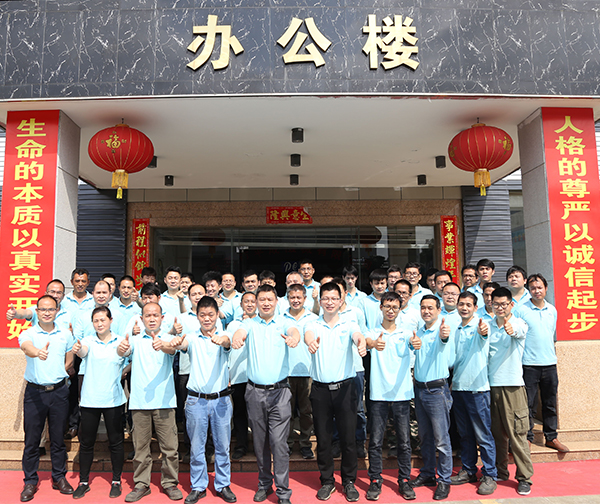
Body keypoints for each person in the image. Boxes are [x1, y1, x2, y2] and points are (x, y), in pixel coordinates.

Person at [231, 284, 300, 504]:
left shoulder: (284, 322)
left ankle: (283, 491)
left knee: (279, 443)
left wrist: (294, 339)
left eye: (270, 299)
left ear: (277, 301)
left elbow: (294, 332)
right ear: (256, 302)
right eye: (262, 300)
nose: (266, 303)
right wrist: (237, 338)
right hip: (255, 393)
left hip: (280, 393)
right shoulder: (249, 323)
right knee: (260, 443)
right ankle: (264, 484)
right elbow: (240, 332)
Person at [170, 296, 236, 504]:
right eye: (202, 315)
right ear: (197, 316)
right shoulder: (191, 337)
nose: (207, 319)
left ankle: (223, 484)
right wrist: (176, 342)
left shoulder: (225, 335)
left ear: (217, 315)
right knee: (196, 447)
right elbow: (183, 344)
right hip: (196, 401)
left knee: (222, 446)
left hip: (221, 401)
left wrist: (222, 340)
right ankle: (198, 486)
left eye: (211, 315)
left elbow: (227, 343)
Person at [304, 282, 367, 503]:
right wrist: (311, 343)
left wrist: (361, 343)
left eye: (334, 298)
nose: (330, 302)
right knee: (323, 439)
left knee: (348, 439)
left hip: (345, 389)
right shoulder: (312, 323)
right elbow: (308, 336)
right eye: (326, 298)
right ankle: (327, 481)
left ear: (341, 301)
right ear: (320, 301)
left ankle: (349, 481)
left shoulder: (349, 323)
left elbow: (358, 336)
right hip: (320, 390)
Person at [118, 302, 183, 502]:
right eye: (148, 315)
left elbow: (171, 350)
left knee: (170, 448)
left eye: (156, 315)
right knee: (140, 448)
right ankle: (141, 484)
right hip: (139, 403)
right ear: (141, 318)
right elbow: (124, 352)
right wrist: (121, 349)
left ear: (162, 318)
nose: (152, 318)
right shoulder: (135, 340)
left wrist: (162, 345)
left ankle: (170, 483)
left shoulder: (168, 338)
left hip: (165, 402)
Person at [19, 295, 75, 502]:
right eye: (42, 309)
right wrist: (37, 353)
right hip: (35, 393)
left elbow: (70, 356)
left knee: (58, 438)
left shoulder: (65, 333)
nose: (46, 313)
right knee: (32, 439)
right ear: (37, 311)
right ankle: (30, 481)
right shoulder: (29, 333)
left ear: (57, 311)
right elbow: (26, 347)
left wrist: (61, 370)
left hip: (59, 392)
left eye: (51, 309)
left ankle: (59, 477)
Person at [71, 306, 127, 499]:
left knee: (116, 442)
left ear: (111, 320)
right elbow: (83, 351)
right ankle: (83, 482)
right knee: (86, 443)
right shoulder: (88, 341)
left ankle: (116, 481)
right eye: (96, 320)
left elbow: (126, 354)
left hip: (113, 400)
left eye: (103, 320)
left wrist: (123, 354)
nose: (99, 323)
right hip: (90, 400)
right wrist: (78, 350)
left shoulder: (120, 341)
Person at [364, 292, 416, 501]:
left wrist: (416, 342)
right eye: (387, 306)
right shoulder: (373, 332)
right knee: (376, 441)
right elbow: (367, 342)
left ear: (400, 309)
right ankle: (375, 479)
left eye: (395, 307)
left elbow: (414, 342)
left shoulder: (406, 332)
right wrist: (372, 344)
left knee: (404, 441)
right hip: (378, 394)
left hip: (402, 394)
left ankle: (404, 479)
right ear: (381, 308)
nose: (391, 310)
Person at [449, 292, 497, 496]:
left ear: (475, 308)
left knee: (483, 434)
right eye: (461, 304)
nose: (464, 308)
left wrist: (483, 331)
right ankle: (468, 470)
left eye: (469, 305)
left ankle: (490, 474)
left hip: (477, 389)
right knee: (465, 434)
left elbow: (484, 334)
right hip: (459, 388)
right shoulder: (456, 329)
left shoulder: (481, 325)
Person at [487, 287, 533, 496]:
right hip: (491, 386)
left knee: (517, 434)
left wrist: (510, 329)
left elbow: (518, 331)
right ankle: (500, 471)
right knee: (497, 434)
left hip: (513, 386)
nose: (500, 308)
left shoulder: (519, 323)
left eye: (504, 304)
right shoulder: (487, 325)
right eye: (496, 304)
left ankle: (524, 478)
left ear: (511, 305)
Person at [517, 274, 569, 453]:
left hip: (549, 363)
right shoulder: (521, 310)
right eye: (533, 288)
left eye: (539, 287)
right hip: (529, 364)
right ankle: (527, 438)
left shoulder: (552, 310)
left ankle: (551, 437)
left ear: (546, 288)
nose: (536, 291)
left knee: (549, 403)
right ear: (528, 290)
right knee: (528, 405)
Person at [408, 295, 453, 501]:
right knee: (425, 436)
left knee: (441, 439)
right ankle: (427, 473)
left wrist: (443, 335)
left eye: (430, 308)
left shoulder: (441, 329)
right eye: (423, 308)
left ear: (438, 310)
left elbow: (444, 339)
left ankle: (444, 479)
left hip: (436, 391)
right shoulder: (419, 331)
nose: (426, 311)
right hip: (420, 390)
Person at [282, 284, 317, 459]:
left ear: (305, 298)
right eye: (292, 297)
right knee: (286, 412)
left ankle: (305, 444)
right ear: (287, 298)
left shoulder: (313, 318)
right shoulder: (281, 318)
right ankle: (287, 444)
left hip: (308, 372)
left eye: (298, 297)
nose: (295, 300)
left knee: (306, 412)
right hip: (286, 373)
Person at [227, 292, 256, 460]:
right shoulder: (233, 325)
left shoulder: (261, 323)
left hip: (257, 377)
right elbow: (228, 351)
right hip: (238, 376)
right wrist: (228, 373)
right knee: (239, 413)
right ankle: (241, 445)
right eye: (247, 302)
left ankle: (259, 446)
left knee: (258, 415)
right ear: (241, 304)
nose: (250, 304)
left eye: (253, 301)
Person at [7, 279, 72, 332]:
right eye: (52, 292)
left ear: (63, 296)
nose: (55, 296)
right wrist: (15, 313)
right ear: (46, 293)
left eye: (59, 293)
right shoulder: (38, 309)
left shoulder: (68, 314)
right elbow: (25, 313)